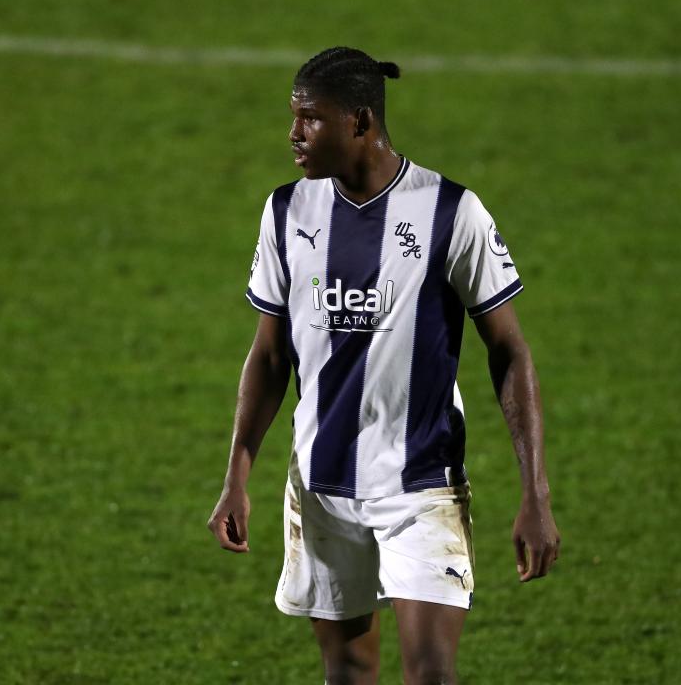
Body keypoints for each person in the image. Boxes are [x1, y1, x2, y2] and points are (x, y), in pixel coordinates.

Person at [208, 46, 560, 685]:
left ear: (362, 123)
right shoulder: (286, 213)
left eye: (311, 119)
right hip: (321, 485)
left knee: (429, 674)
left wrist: (535, 492)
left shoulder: (452, 212)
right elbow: (268, 354)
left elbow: (509, 350)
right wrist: (237, 472)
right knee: (347, 673)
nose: (293, 134)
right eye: (294, 117)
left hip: (421, 486)